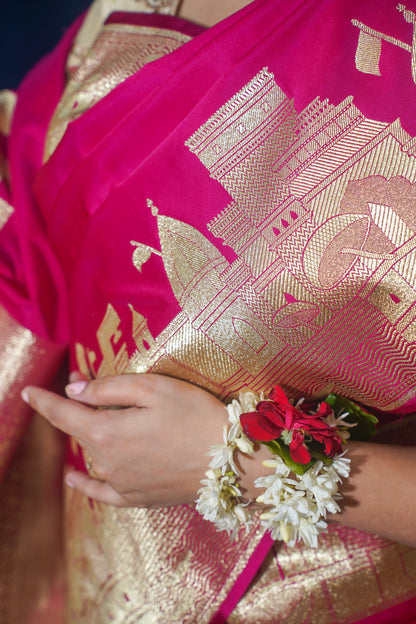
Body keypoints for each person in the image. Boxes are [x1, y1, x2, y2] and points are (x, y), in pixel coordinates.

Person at [2, 0, 416, 621]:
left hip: (343, 590)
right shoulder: (130, 16)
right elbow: (34, 252)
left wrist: (236, 462)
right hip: (104, 560)